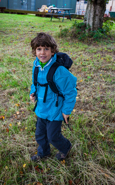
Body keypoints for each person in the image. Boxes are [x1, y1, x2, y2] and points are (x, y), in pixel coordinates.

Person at [30, 32, 77, 161]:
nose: (42, 53)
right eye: (39, 49)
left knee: (53, 136)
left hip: (55, 110)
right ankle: (43, 152)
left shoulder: (59, 70)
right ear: (35, 51)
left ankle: (65, 147)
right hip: (42, 108)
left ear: (53, 51)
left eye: (46, 49)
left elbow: (71, 91)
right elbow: (35, 82)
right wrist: (32, 93)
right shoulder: (37, 66)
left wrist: (66, 111)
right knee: (40, 134)